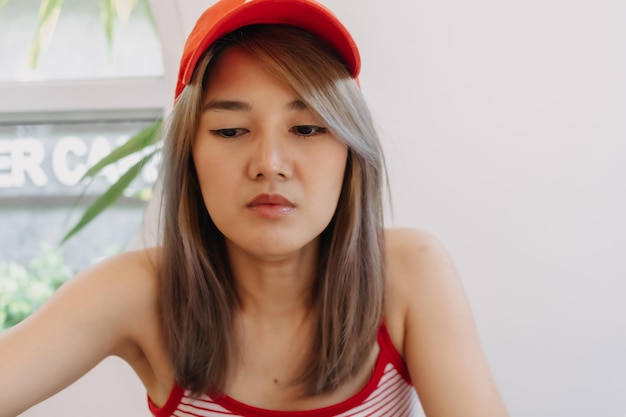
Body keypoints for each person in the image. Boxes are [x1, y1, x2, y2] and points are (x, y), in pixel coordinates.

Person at [0, 0, 509, 416]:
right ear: (190, 157)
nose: (269, 164)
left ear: (351, 153)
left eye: (307, 128)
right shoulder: (139, 292)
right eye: (230, 131)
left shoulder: (410, 272)